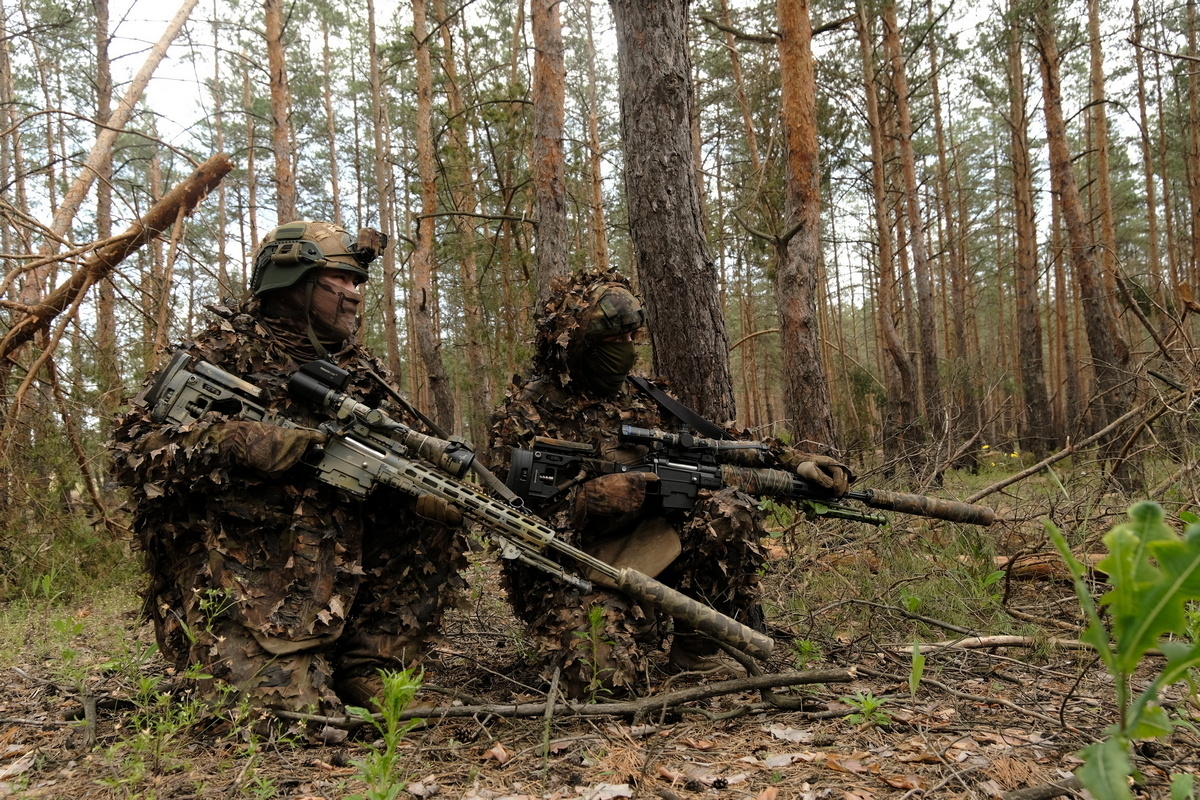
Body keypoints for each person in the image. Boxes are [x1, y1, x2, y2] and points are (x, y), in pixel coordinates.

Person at [110, 220, 468, 733]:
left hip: (339, 565)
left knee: (435, 506)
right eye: (339, 280)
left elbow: (400, 463)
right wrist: (234, 442)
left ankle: (370, 663)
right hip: (244, 582)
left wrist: (423, 496)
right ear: (292, 279)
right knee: (284, 723)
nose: (353, 295)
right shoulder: (222, 351)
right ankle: (266, 663)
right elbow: (131, 454)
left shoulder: (361, 372)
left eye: (357, 283)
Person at [488, 269, 852, 697]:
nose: (626, 350)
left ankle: (697, 652)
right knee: (604, 678)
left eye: (631, 338)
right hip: (569, 572)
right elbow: (501, 519)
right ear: (581, 344)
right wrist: (584, 502)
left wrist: (795, 460)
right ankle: (628, 623)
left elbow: (721, 444)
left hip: (647, 548)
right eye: (613, 340)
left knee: (727, 508)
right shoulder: (526, 413)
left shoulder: (642, 396)